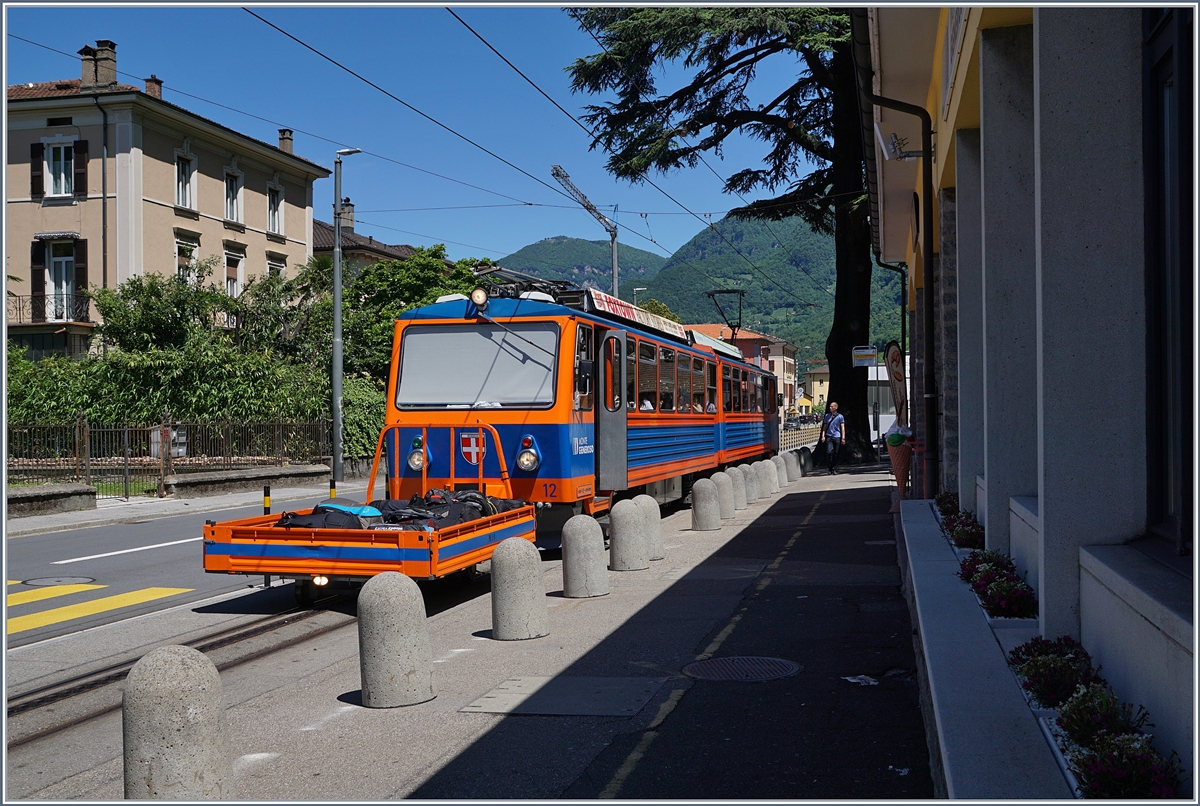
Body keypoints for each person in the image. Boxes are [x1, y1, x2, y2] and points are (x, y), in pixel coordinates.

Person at [819, 401, 846, 474]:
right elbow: (824, 426)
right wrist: (823, 436)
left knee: (836, 453)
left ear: (836, 407)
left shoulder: (840, 416)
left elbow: (842, 427)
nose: (830, 408)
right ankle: (830, 467)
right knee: (828, 452)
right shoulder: (827, 416)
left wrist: (843, 438)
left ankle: (835, 468)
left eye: (832, 406)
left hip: (837, 436)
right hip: (829, 436)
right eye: (830, 406)